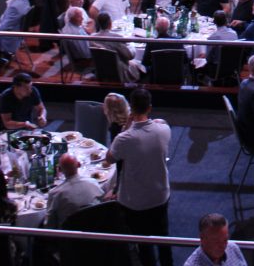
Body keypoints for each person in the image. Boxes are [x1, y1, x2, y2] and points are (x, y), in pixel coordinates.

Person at [106, 89, 173, 266]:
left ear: (131, 109)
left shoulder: (124, 138)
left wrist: (126, 128)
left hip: (135, 203)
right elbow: (160, 123)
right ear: (149, 108)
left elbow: (109, 158)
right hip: (160, 195)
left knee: (144, 245)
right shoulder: (164, 130)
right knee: (164, 241)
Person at [45, 153, 104, 228]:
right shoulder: (93, 183)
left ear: (59, 170)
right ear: (79, 165)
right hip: (95, 230)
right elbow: (101, 202)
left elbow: (49, 225)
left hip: (69, 236)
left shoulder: (55, 194)